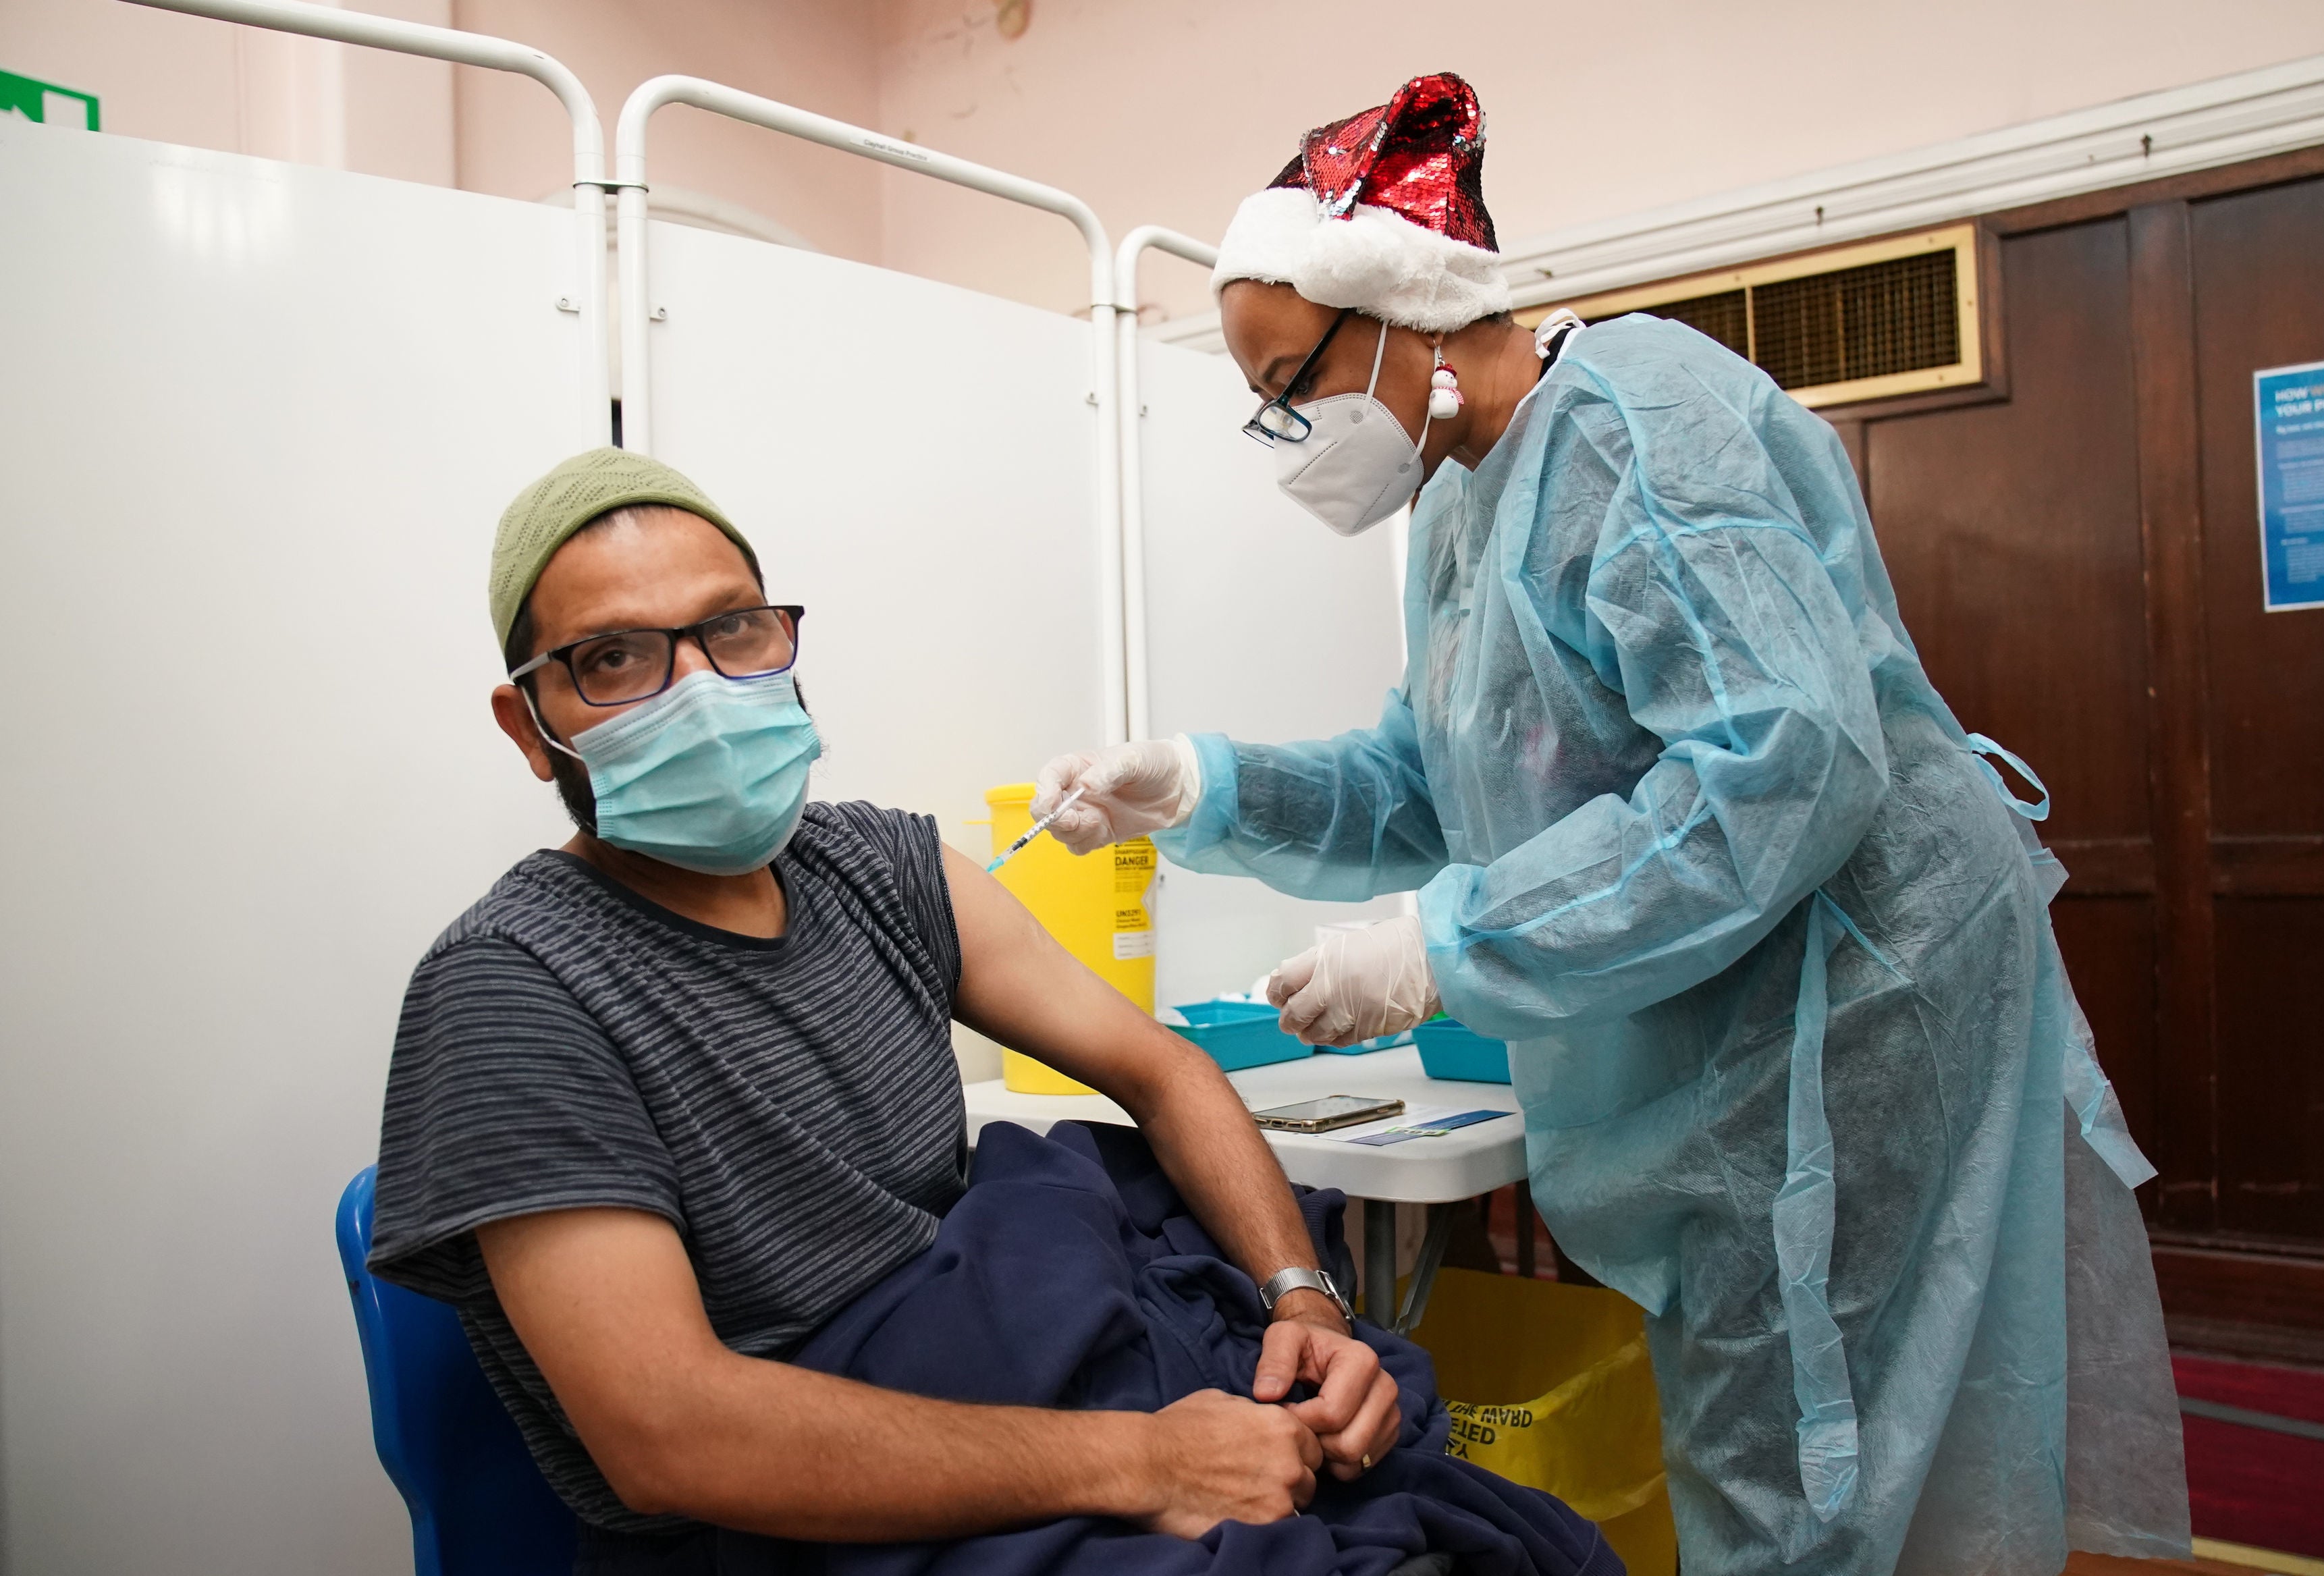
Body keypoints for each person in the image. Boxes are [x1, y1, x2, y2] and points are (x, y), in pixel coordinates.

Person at [1030, 74, 2190, 1575]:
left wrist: (1453, 942)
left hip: (1843, 1000)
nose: (1284, 427)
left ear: (1405, 307)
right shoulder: (1461, 501)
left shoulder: (1634, 423)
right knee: (1801, 1423)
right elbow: (1428, 775)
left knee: (1807, 1437)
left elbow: (1779, 762)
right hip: (1736, 1016)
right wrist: (1203, 783)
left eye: (1288, 380)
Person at [364, 450, 1407, 1562]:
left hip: (1021, 1397)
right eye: (615, 658)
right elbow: (671, 1435)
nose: (703, 692)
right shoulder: (516, 986)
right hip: (798, 1523)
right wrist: (1143, 1462)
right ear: (531, 727)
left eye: (735, 629)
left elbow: (1163, 1068)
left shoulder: (880, 867)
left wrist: (1304, 1304)